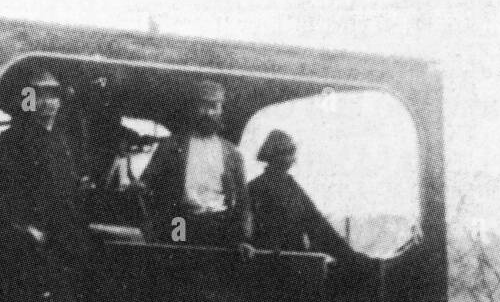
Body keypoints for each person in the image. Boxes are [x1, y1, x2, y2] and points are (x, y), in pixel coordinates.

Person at [0, 68, 88, 302]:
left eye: (53, 96)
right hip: (33, 239)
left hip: (66, 237)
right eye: (39, 96)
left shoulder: (65, 139)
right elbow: (2, 192)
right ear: (28, 101)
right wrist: (26, 228)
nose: (48, 104)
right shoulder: (12, 140)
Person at [140, 79, 253, 248]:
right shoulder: (172, 146)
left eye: (214, 107)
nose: (208, 113)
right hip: (180, 221)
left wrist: (244, 238)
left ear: (221, 110)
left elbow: (243, 200)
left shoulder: (231, 153)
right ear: (194, 108)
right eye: (203, 106)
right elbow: (147, 184)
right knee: (177, 258)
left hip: (218, 225)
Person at [248, 129, 358, 259]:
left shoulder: (292, 187)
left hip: (296, 256)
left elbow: (317, 223)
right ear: (272, 156)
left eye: (291, 152)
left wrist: (349, 254)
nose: (292, 158)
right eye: (286, 152)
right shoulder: (255, 187)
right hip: (270, 259)